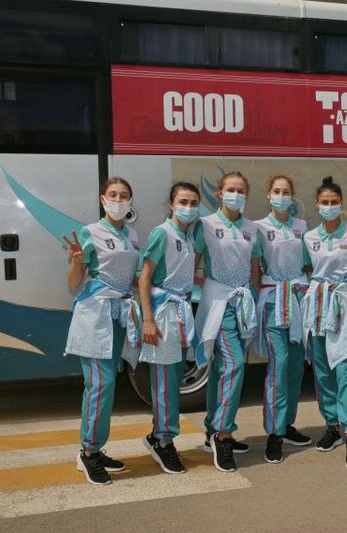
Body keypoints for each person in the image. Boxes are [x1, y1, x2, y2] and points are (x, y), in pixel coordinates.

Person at [63, 177, 141, 485]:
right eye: (113, 195)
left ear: (131, 201)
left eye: (124, 195)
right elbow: (74, 284)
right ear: (102, 199)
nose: (118, 200)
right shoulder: (90, 232)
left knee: (107, 384)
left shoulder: (132, 235)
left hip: (119, 316)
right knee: (100, 384)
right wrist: (76, 261)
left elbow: (133, 278)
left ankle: (95, 447)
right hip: (95, 316)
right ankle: (89, 453)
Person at [194, 171, 261, 472]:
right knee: (233, 365)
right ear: (219, 193)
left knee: (223, 368)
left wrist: (255, 302)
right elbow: (193, 262)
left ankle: (212, 428)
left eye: (241, 190)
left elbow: (255, 268)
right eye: (230, 189)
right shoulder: (206, 225)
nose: (236, 194)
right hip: (219, 305)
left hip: (243, 304)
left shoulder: (251, 229)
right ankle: (223, 434)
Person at [301, 176, 347, 470]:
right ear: (317, 204)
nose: (329, 206)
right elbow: (307, 269)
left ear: (341, 204)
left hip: (344, 304)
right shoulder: (309, 237)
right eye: (324, 202)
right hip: (317, 305)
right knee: (322, 371)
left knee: (344, 369)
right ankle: (332, 425)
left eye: (334, 202)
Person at [138, 182, 201, 474]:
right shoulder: (162, 233)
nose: (188, 207)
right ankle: (164, 442)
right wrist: (148, 319)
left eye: (193, 202)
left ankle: (158, 435)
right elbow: (144, 277)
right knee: (163, 383)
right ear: (172, 205)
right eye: (183, 201)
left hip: (181, 313)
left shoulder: (189, 236)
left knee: (173, 382)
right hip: (163, 315)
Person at [253, 175, 313, 464]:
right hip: (274, 301)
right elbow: (255, 267)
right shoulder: (259, 228)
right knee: (279, 364)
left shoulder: (302, 226)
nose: (281, 195)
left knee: (295, 366)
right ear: (268, 194)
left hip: (299, 301)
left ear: (292, 196)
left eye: (286, 191)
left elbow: (308, 264)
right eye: (276, 191)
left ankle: (287, 423)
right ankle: (274, 433)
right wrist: (261, 295)